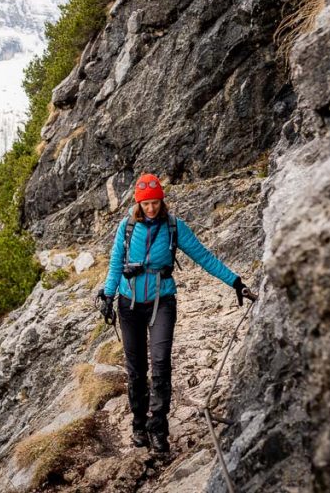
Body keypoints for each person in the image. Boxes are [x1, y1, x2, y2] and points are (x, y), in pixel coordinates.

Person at [95, 173, 254, 454]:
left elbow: (204, 257)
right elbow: (115, 264)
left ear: (162, 201)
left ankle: (158, 429)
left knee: (160, 364)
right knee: (135, 370)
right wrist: (108, 295)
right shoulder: (127, 227)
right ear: (138, 203)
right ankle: (138, 425)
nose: (151, 208)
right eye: (146, 204)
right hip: (129, 305)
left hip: (162, 302)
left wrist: (235, 282)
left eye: (155, 203)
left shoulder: (174, 228)